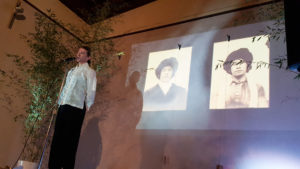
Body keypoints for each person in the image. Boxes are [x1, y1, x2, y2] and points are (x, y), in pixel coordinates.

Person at [48, 46, 97, 169]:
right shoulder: (71, 71)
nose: (79, 54)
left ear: (88, 57)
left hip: (76, 107)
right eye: (78, 52)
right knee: (58, 137)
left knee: (70, 139)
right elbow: (65, 88)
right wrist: (60, 102)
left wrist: (89, 104)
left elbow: (92, 89)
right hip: (64, 105)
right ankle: (54, 166)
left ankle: (66, 166)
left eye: (82, 53)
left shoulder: (89, 72)